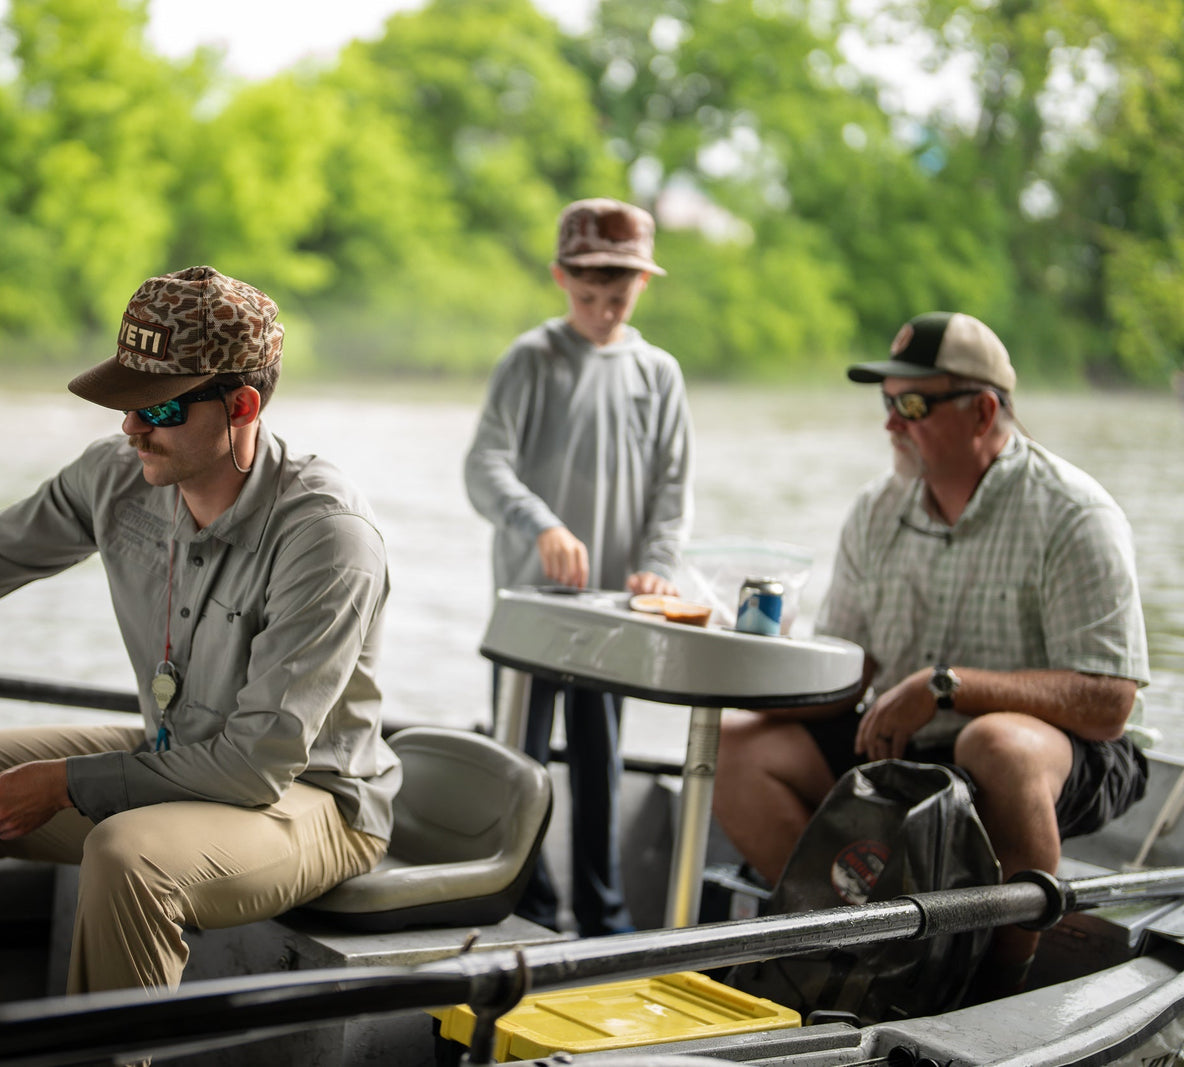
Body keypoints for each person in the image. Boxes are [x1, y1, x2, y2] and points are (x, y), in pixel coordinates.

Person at [0, 265, 400, 1014]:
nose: (131, 427)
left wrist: (67, 782)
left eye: (156, 406)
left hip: (311, 798)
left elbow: (254, 767)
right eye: (126, 402)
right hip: (176, 751)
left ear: (242, 404)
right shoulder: (120, 474)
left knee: (127, 854)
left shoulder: (326, 536)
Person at [713, 311, 1150, 996]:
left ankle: (998, 986)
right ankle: (855, 948)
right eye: (886, 402)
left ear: (981, 411)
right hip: (909, 740)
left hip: (1055, 756)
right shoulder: (875, 510)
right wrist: (760, 665)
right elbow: (849, 670)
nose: (890, 423)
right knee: (734, 747)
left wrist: (946, 686)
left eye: (912, 404)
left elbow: (1110, 703)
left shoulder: (1073, 513)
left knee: (995, 742)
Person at [464, 198, 694, 937]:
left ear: (643, 287)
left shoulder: (658, 374)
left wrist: (658, 566)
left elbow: (671, 490)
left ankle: (606, 916)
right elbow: (485, 465)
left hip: (612, 612)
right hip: (531, 607)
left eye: (618, 298)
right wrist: (543, 524)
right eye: (588, 296)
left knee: (603, 760)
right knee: (521, 763)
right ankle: (526, 903)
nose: (602, 311)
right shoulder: (531, 359)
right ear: (562, 278)